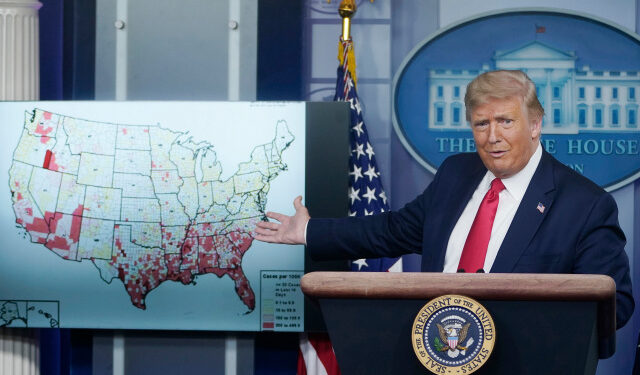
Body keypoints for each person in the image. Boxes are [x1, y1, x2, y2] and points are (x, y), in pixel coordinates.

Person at [255, 70, 634, 329]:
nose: (492, 137)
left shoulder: (585, 205)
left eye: (506, 121)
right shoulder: (456, 173)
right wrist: (308, 231)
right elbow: (391, 231)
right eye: (481, 124)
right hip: (431, 351)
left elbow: (615, 305)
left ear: (535, 124)